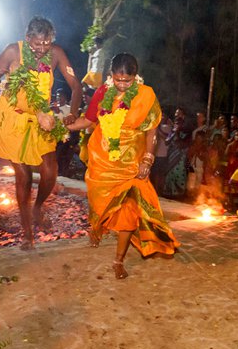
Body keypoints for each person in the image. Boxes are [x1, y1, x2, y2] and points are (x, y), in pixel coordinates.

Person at [67, 53, 179, 279]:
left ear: (135, 77)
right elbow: (88, 121)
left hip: (132, 163)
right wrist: (62, 127)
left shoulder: (146, 95)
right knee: (102, 202)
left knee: (129, 209)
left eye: (127, 81)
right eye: (118, 80)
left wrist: (148, 158)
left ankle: (118, 260)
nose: (122, 85)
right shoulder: (102, 93)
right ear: (111, 76)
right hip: (103, 159)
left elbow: (151, 131)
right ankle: (97, 225)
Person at [0, 17, 82, 249]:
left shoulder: (56, 53)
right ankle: (27, 230)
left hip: (41, 116)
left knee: (50, 172)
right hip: (14, 117)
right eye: (36, 44)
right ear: (27, 39)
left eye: (46, 44)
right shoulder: (12, 51)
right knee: (24, 175)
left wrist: (73, 112)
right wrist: (4, 85)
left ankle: (37, 208)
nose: (41, 49)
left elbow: (76, 86)